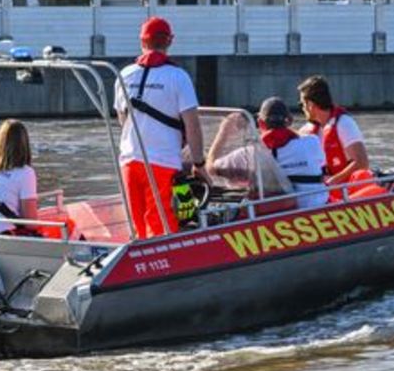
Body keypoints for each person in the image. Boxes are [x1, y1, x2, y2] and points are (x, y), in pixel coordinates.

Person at [114, 16, 206, 239]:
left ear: (142, 42)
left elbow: (121, 119)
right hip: (162, 163)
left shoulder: (124, 75)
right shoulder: (178, 77)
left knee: (137, 224)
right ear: (169, 41)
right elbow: (192, 125)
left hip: (129, 161)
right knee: (163, 225)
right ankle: (165, 265)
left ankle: (138, 263)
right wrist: (199, 164)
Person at [297, 75, 379, 201]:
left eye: (302, 104)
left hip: (349, 190)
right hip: (327, 191)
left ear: (311, 105)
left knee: (361, 175)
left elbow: (362, 162)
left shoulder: (344, 123)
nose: (302, 108)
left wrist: (332, 182)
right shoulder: (307, 131)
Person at [255, 96, 329, 209]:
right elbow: (321, 165)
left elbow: (217, 165)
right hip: (319, 205)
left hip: (284, 211)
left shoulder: (254, 152)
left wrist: (225, 130)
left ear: (260, 123)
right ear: (289, 121)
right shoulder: (312, 141)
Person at [206, 111, 287, 199]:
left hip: (257, 206)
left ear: (260, 123)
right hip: (288, 203)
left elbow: (211, 169)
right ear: (289, 121)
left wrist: (223, 133)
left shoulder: (247, 154)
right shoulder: (301, 147)